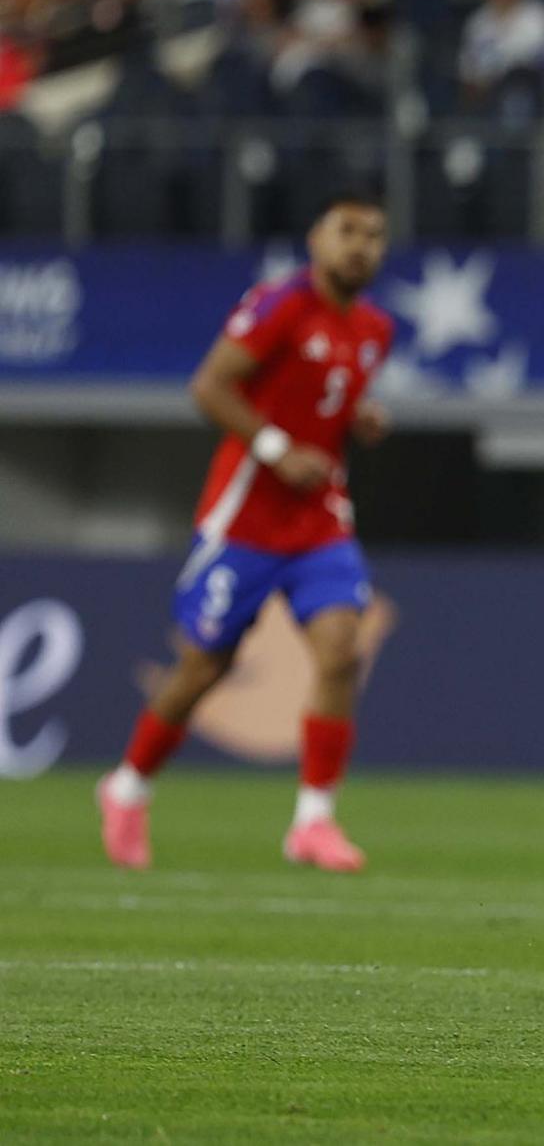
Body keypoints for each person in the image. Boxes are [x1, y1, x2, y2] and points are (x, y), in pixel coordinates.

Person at [96, 194, 396, 874]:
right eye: (347, 231)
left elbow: (324, 402)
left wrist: (361, 420)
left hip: (320, 519)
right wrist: (274, 446)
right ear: (317, 238)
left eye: (374, 235)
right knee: (205, 668)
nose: (361, 246)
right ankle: (126, 786)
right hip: (246, 521)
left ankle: (313, 822)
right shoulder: (279, 304)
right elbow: (209, 386)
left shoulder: (376, 328)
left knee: (342, 650)